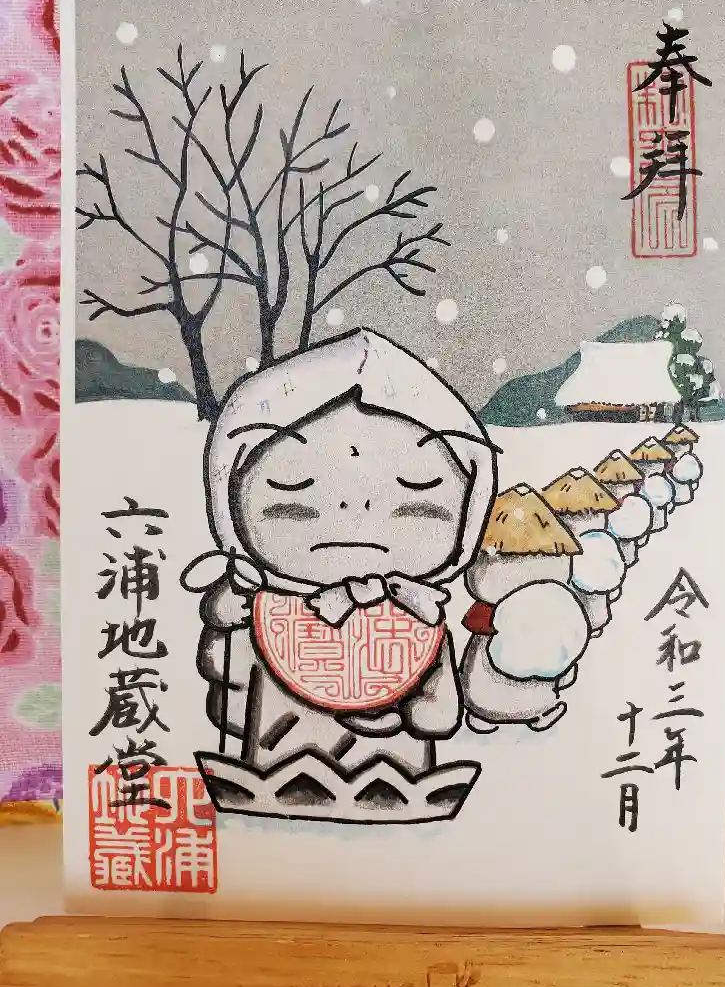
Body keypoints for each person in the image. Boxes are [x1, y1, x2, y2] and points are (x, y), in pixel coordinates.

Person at [181, 328, 497, 821]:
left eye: (417, 486)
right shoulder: (266, 609)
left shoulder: (417, 612)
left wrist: (429, 702)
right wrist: (227, 626)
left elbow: (439, 711)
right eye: (293, 485)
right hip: (276, 761)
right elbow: (228, 682)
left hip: (397, 772)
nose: (357, 508)